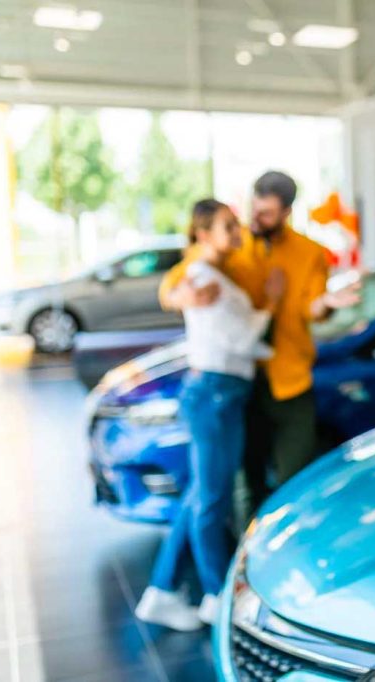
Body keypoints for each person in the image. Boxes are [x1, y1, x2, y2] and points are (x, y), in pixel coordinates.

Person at [159, 171, 359, 516]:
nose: (256, 219)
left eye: (266, 213)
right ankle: (249, 562)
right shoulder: (235, 244)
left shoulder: (309, 253)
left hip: (291, 382)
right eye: (255, 209)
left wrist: (326, 302)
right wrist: (179, 296)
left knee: (293, 480)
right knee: (248, 484)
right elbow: (177, 280)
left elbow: (311, 307)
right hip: (245, 383)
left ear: (286, 212)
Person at [136, 199, 284, 630]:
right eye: (227, 227)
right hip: (217, 393)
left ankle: (161, 591)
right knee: (211, 502)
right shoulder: (203, 277)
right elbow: (239, 338)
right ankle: (216, 597)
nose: (236, 233)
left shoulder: (213, 274)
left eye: (237, 226)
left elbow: (237, 339)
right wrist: (271, 306)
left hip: (222, 391)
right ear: (201, 233)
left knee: (200, 496)